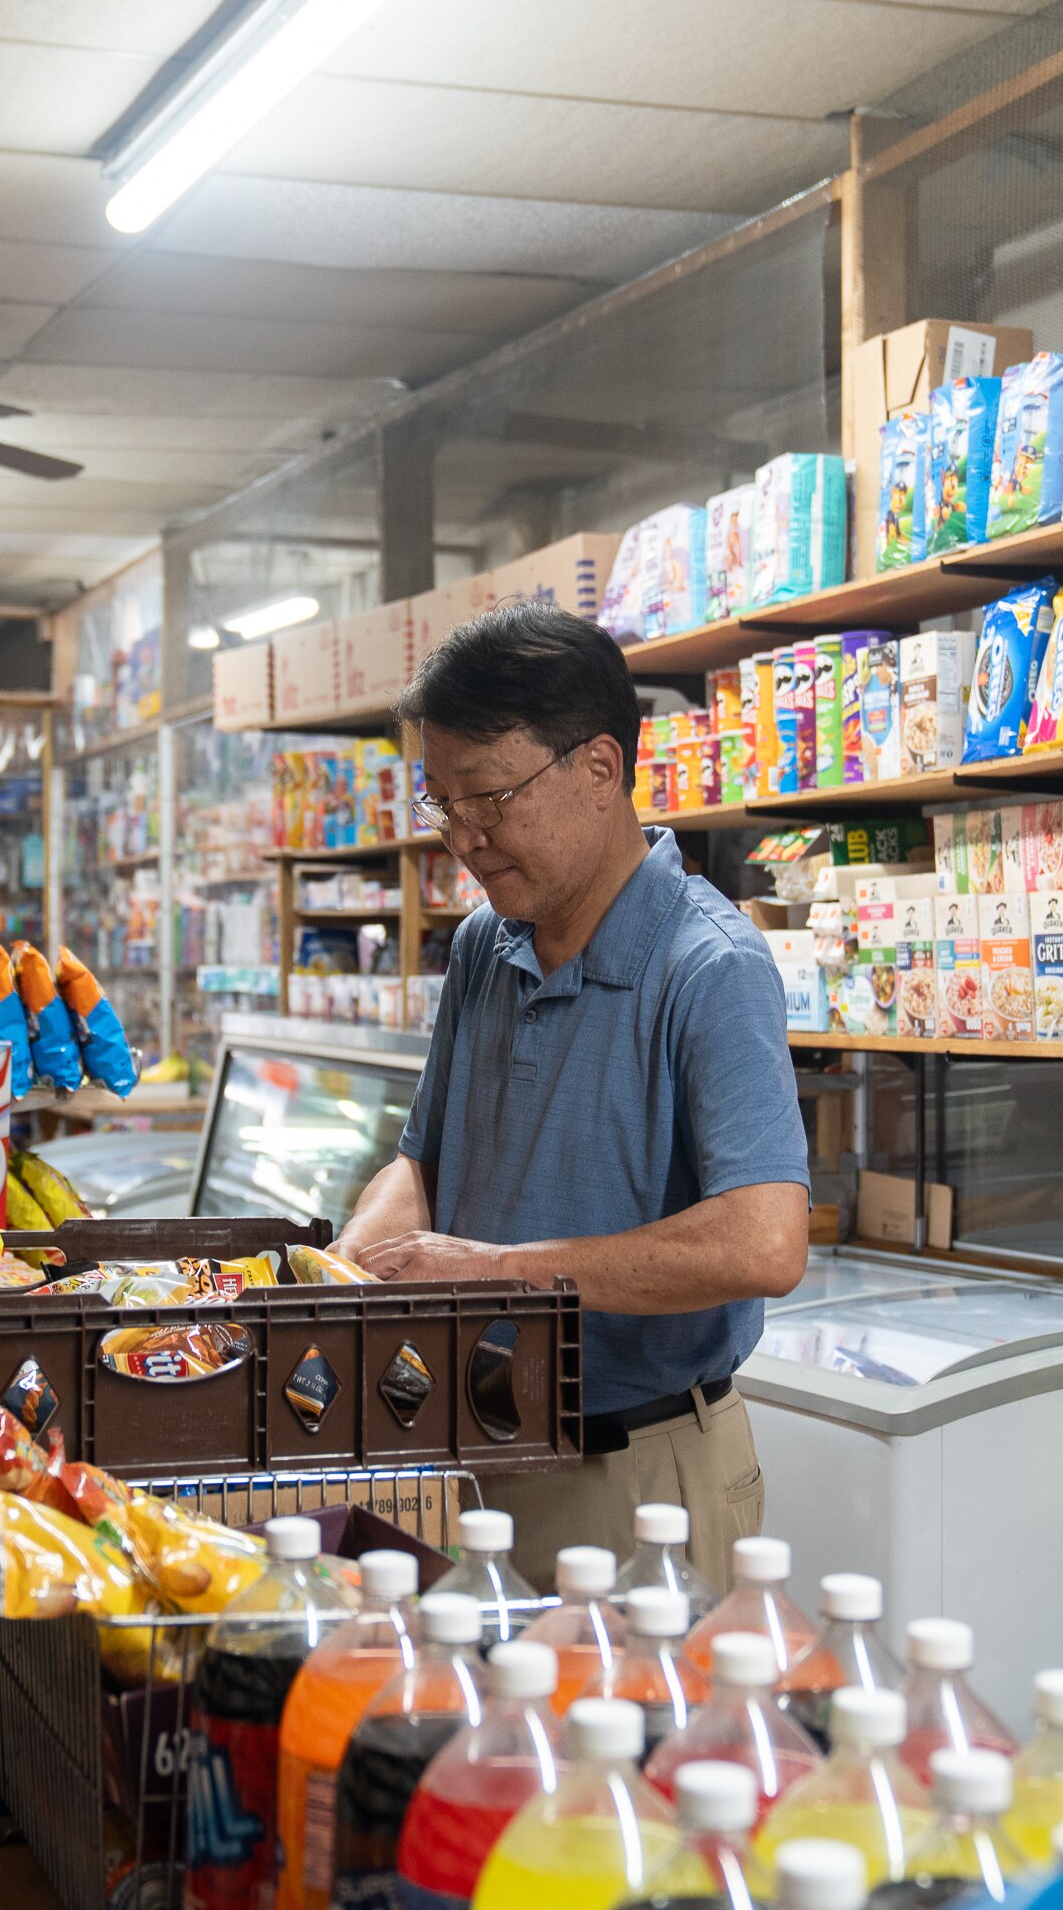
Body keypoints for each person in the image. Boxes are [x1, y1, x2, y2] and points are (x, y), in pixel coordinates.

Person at [333, 600, 811, 1585]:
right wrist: (349, 1265)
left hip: (636, 1476)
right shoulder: (482, 943)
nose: (463, 835)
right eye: (442, 803)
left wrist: (500, 1269)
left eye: (490, 798)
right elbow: (424, 1160)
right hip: (476, 1453)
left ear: (599, 767)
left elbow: (765, 1240)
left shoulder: (709, 964)